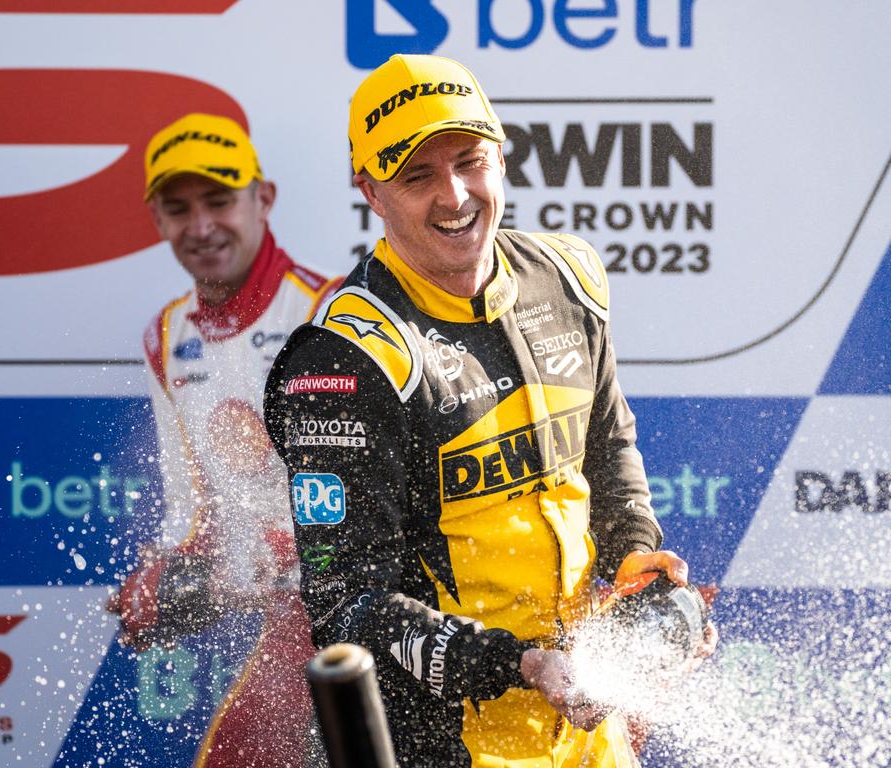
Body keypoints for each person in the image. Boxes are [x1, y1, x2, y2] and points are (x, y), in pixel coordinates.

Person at [263, 55, 716, 767]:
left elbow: (605, 449)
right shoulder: (346, 360)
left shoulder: (568, 278)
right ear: (372, 191)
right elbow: (346, 609)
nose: (455, 196)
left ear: (501, 156)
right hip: (449, 747)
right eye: (418, 176)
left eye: (471, 162)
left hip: (589, 737)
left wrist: (636, 561)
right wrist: (521, 665)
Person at [107, 112, 340, 767]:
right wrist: (163, 572)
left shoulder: (331, 310)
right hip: (281, 607)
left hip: (356, 597)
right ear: (157, 220)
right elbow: (194, 503)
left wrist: (298, 554)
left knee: (241, 753)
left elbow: (377, 488)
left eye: (219, 201)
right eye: (178, 209)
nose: (201, 226)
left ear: (262, 199)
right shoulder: (166, 335)